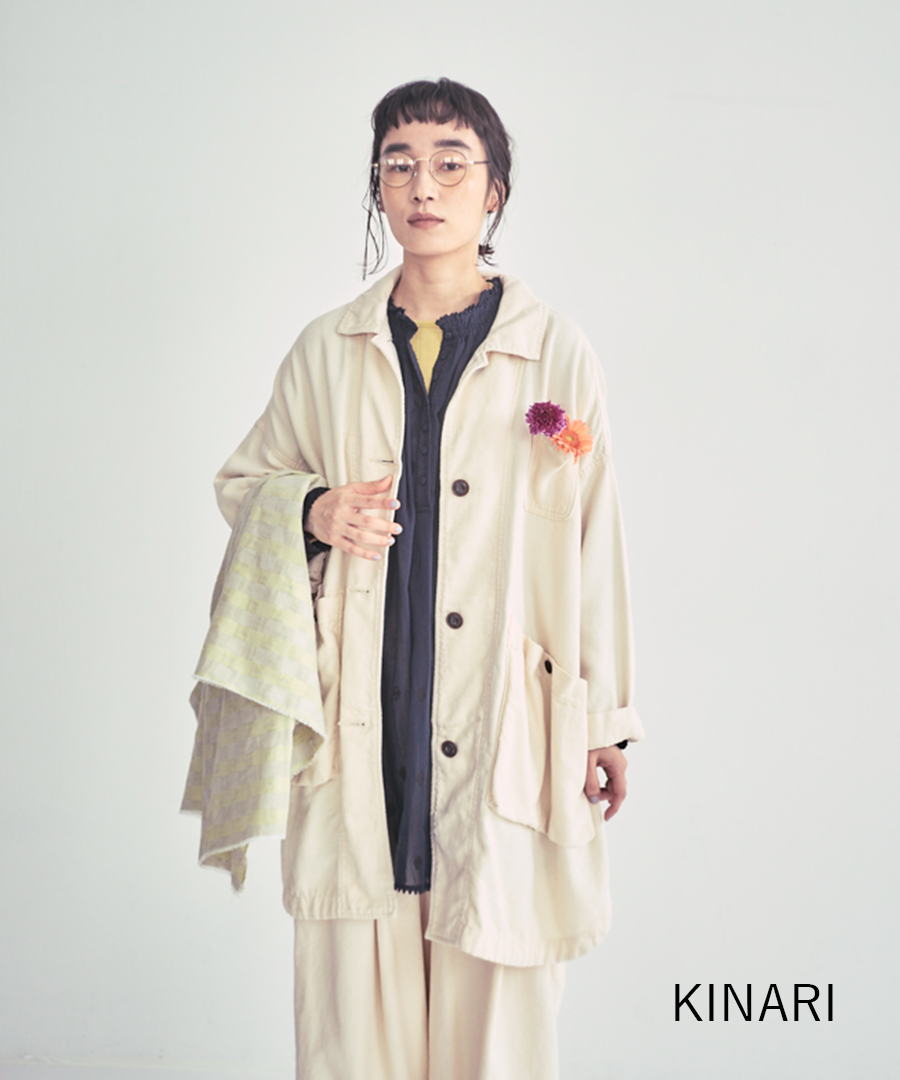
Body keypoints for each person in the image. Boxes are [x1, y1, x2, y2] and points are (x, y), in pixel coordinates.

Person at [211, 77, 643, 1080]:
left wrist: (606, 721)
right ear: (377, 187)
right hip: (364, 716)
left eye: (452, 162)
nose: (424, 185)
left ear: (494, 191)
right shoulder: (326, 350)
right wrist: (312, 508)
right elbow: (245, 483)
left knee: (497, 1017)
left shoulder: (554, 351)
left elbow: (596, 540)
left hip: (507, 721)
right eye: (398, 164)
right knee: (354, 1033)